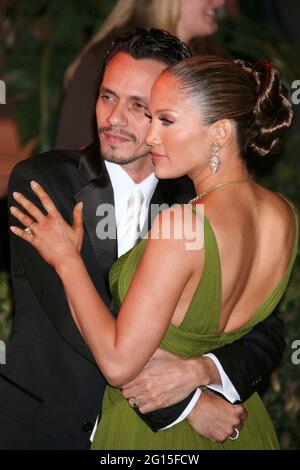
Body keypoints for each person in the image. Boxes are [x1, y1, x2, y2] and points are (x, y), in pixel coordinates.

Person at [6, 29, 296, 449]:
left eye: (146, 109)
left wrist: (204, 371)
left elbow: (266, 334)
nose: (115, 119)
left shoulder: (190, 203)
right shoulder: (45, 182)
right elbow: (80, 324)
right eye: (107, 97)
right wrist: (190, 404)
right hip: (54, 429)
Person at [55, 0, 226, 149]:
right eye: (108, 97)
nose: (220, 2)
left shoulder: (213, 65)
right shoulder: (113, 58)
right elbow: (72, 150)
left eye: (138, 105)